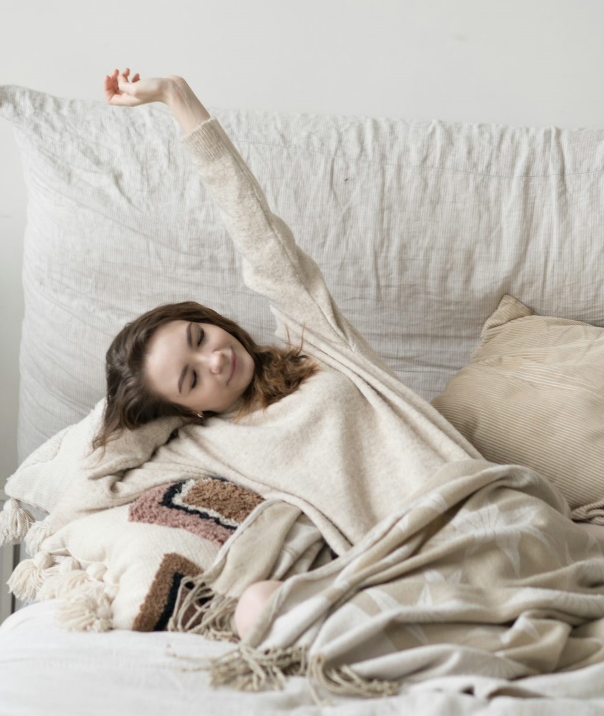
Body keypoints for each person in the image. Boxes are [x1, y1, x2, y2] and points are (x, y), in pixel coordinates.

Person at [97, 67, 488, 639]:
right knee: (258, 608)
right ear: (186, 409)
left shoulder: (315, 339)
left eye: (200, 338)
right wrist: (143, 416)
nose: (214, 359)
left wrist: (177, 97)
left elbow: (255, 229)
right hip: (405, 570)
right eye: (190, 379)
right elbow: (94, 483)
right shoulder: (206, 445)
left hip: (477, 509)